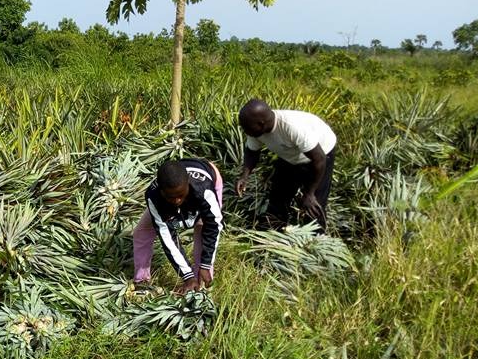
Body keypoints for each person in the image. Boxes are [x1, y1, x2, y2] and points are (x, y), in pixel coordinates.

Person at [235, 99, 337, 229]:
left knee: (313, 203)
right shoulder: (255, 130)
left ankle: (316, 236)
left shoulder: (292, 127)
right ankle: (274, 229)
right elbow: (252, 152)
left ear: (261, 124)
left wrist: (309, 193)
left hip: (321, 154)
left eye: (246, 128)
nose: (245, 131)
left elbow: (319, 159)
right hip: (290, 156)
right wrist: (244, 176)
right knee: (278, 196)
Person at [132, 158, 224, 295]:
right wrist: (187, 276)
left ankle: (200, 289)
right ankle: (142, 281)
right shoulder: (154, 196)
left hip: (210, 178)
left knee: (202, 229)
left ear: (188, 184)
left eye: (180, 195)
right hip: (175, 190)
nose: (177, 201)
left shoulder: (203, 189)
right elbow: (167, 237)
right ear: (161, 190)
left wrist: (206, 264)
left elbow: (213, 225)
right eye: (171, 197)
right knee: (142, 231)